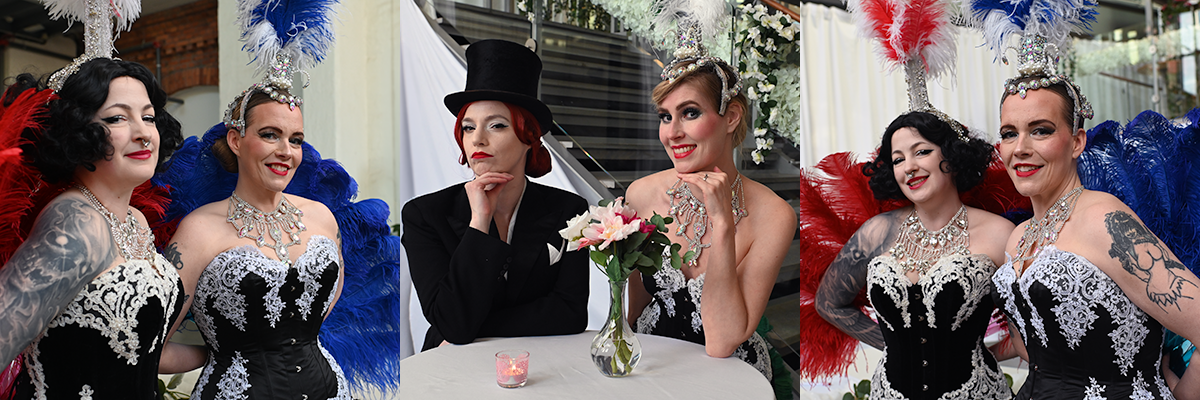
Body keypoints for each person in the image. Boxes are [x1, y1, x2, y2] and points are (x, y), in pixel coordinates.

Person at [990, 36, 1200, 399]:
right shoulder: (1019, 236)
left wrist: (1183, 394)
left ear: (1077, 142)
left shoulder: (1105, 220)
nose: (1021, 148)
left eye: (1041, 130)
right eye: (1010, 134)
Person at [0, 56, 186, 399]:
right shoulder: (75, 222)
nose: (144, 133)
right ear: (76, 132)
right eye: (117, 118)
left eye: (148, 117)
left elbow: (141, 352)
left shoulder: (136, 219)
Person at [624, 33, 796, 380]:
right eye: (665, 116)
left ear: (731, 116)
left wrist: (723, 223)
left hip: (729, 376)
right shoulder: (640, 194)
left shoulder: (775, 215)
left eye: (689, 113)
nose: (672, 133)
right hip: (653, 367)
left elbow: (722, 341)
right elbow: (635, 308)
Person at [402, 39, 590, 351]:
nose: (477, 139)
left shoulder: (569, 209)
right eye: (468, 127)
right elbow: (450, 323)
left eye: (497, 126)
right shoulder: (424, 214)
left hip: (539, 359)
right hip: (452, 362)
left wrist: (475, 326)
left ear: (529, 137)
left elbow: (570, 314)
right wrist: (479, 221)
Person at [815, 112, 1015, 399]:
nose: (909, 167)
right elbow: (828, 302)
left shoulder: (1000, 234)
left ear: (953, 155)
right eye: (898, 160)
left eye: (921, 152)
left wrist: (978, 353)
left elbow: (1033, 327)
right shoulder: (876, 232)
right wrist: (894, 345)